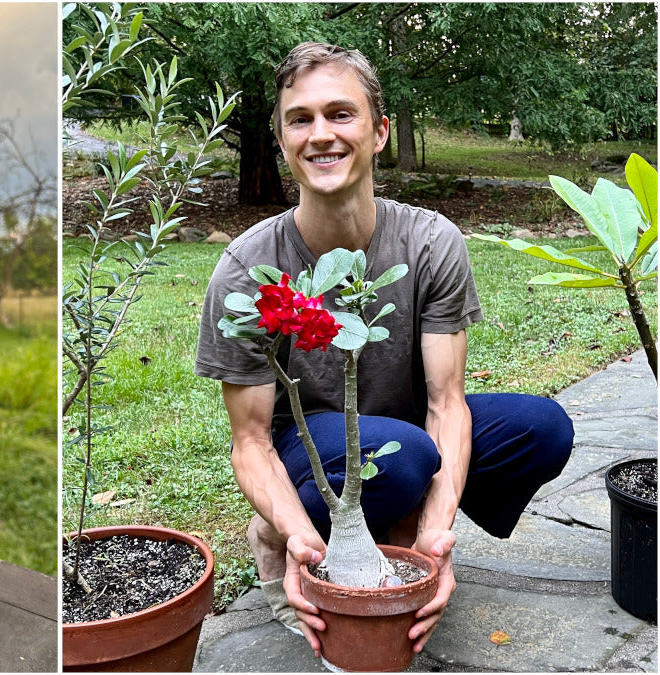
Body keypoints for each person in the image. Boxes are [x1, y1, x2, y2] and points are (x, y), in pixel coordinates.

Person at [194, 42, 574, 658]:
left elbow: (448, 402)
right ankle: (277, 529)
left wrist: (432, 538)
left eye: (341, 114)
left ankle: (398, 534)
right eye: (300, 119)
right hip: (309, 447)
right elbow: (251, 441)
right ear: (283, 141)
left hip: (402, 425)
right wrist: (293, 535)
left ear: (378, 132)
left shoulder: (430, 243)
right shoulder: (247, 271)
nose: (321, 134)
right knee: (400, 458)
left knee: (541, 428)